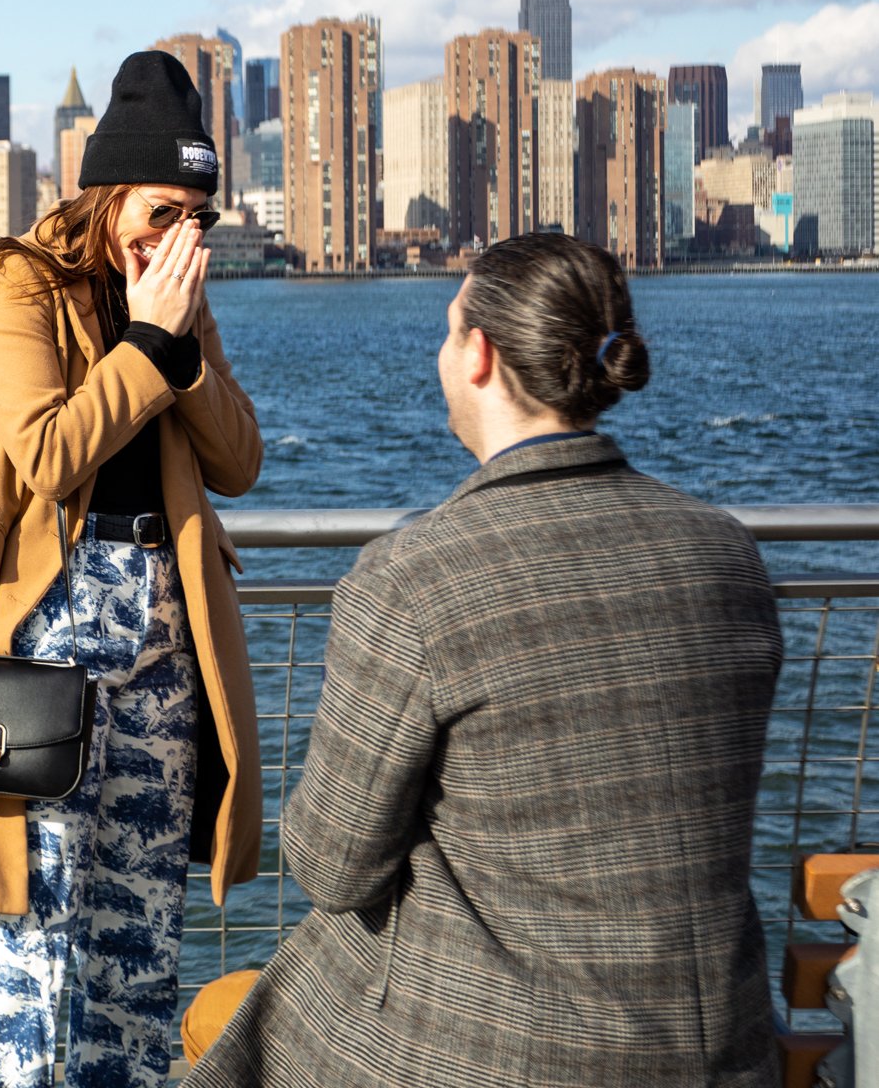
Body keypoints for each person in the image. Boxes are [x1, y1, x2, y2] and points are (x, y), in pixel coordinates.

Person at [188, 232, 782, 1088]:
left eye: (447, 329)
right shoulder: (726, 556)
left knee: (246, 1026)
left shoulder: (415, 578)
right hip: (716, 1046)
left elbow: (331, 866)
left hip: (496, 1054)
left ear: (481, 355)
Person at [0, 51, 263, 1088]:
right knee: (37, 938)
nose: (178, 234)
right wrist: (148, 340)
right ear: (105, 191)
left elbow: (238, 458)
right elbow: (47, 450)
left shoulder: (171, 296)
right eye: (159, 209)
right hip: (46, 637)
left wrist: (174, 345)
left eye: (196, 215)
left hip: (165, 639)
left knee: (139, 941)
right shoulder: (11, 281)